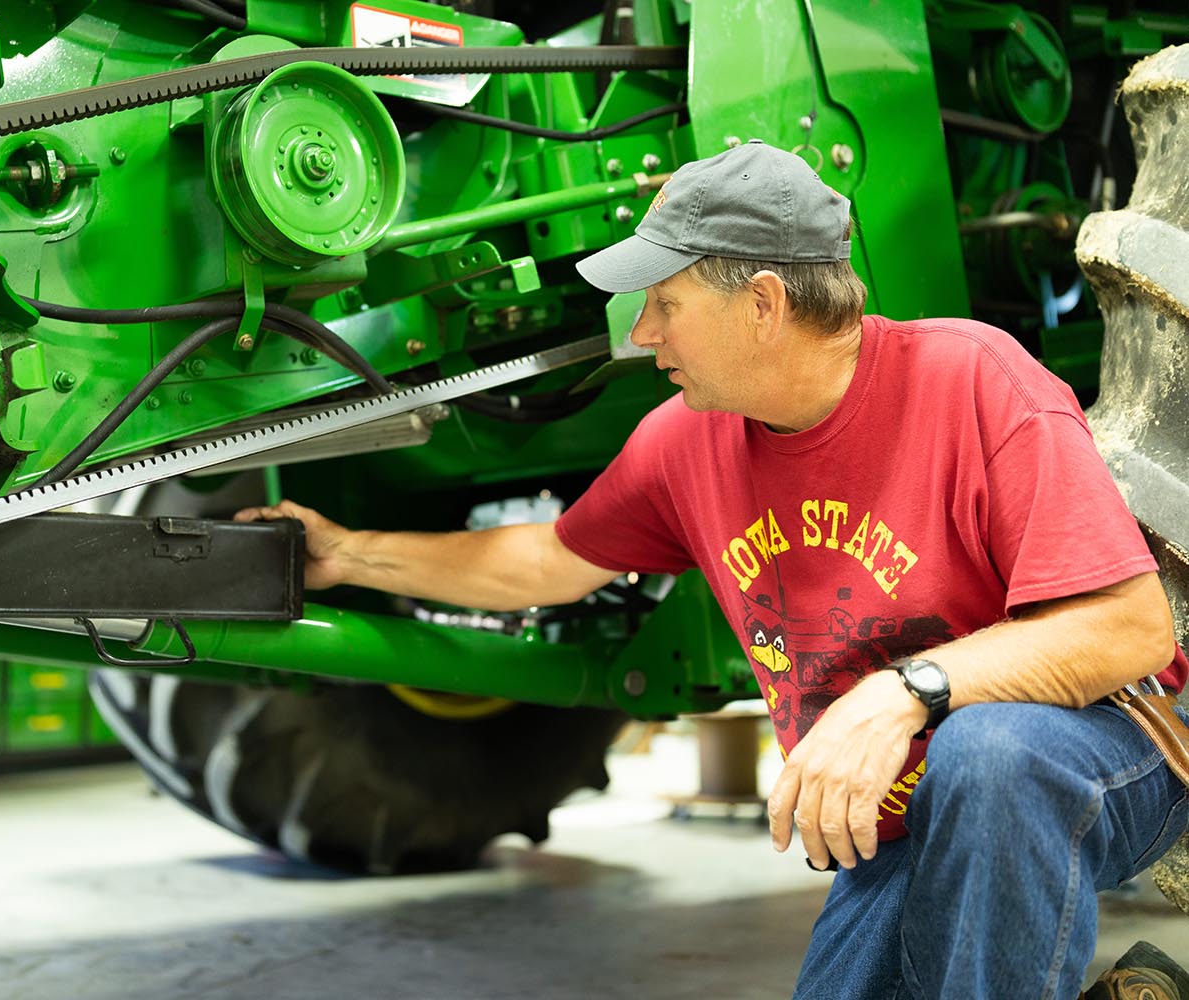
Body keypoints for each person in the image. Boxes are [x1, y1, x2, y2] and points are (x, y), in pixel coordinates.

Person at [235, 141, 1189, 999]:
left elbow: (1129, 629)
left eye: (665, 303)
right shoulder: (681, 444)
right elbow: (549, 559)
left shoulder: (975, 381)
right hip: (905, 811)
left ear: (763, 305)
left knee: (991, 757)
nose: (643, 332)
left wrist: (903, 694)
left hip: (1101, 751)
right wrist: (351, 554)